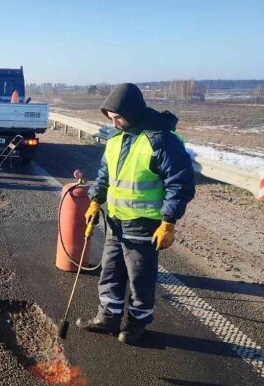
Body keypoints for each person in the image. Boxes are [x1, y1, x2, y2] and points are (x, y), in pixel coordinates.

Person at [76, 83, 195, 344]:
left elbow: (180, 183)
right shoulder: (116, 140)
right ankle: (107, 318)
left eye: (118, 117)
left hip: (145, 224)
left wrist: (169, 222)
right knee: (110, 272)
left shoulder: (161, 140)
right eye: (110, 118)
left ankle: (137, 323)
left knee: (139, 277)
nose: (115, 122)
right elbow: (105, 176)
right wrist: (96, 201)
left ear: (132, 111)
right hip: (116, 222)